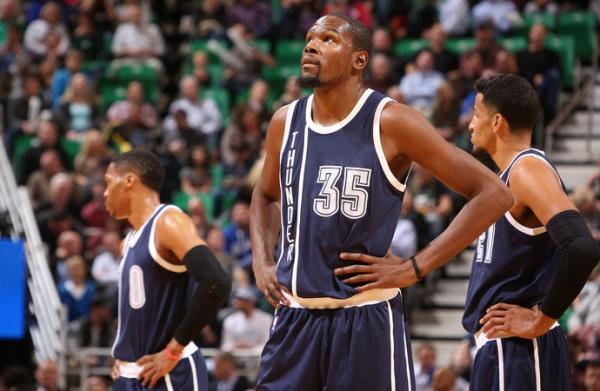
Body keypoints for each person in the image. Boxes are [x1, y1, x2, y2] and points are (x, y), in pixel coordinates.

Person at [250, 14, 513, 390]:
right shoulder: (284, 122)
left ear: (359, 60)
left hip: (363, 320)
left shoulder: (391, 121)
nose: (311, 45)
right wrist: (262, 259)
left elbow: (493, 193)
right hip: (294, 319)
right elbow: (264, 194)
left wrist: (415, 268)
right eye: (309, 38)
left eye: (328, 39)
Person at [462, 74, 600, 390]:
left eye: (476, 114)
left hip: (520, 351)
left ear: (496, 122)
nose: (470, 125)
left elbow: (582, 247)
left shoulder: (527, 170)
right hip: (502, 349)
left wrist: (541, 318)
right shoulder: (506, 177)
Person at [104, 149, 231, 389]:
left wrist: (173, 350)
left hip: (169, 373)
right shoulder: (128, 241)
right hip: (130, 375)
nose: (105, 193)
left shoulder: (168, 221)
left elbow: (216, 281)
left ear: (129, 180)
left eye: (108, 182)